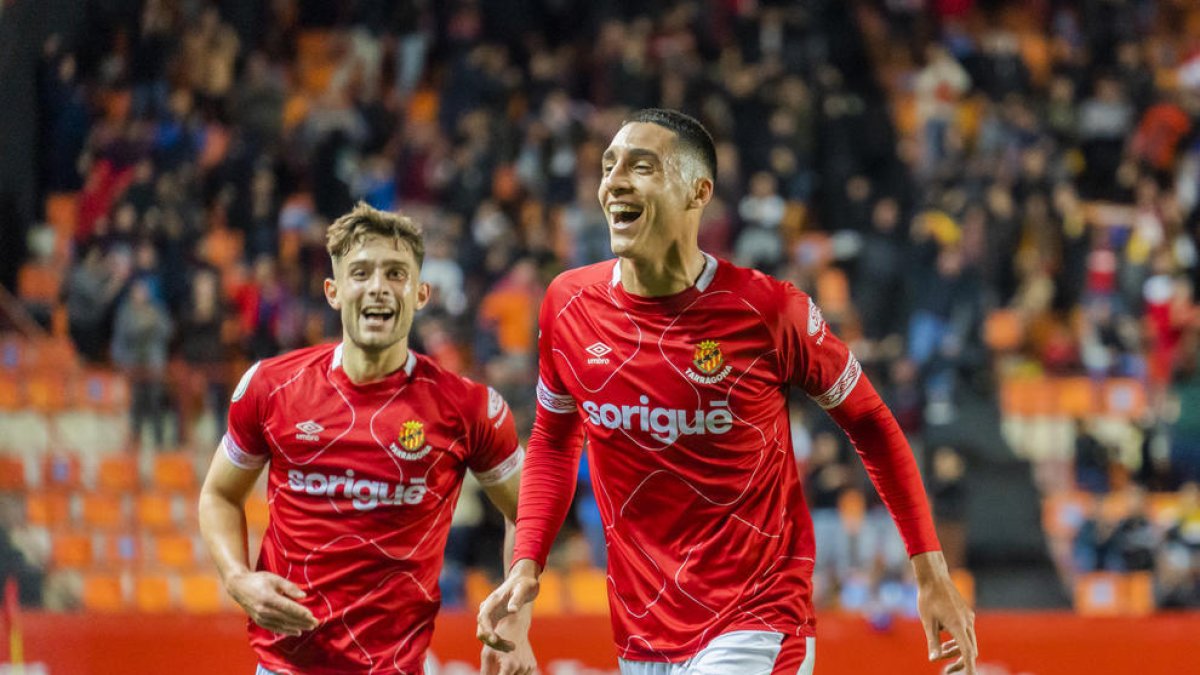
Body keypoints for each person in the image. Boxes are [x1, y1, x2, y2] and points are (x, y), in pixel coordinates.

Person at [477, 110, 976, 674]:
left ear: (698, 191)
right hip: (642, 633)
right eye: (608, 165)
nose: (613, 181)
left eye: (640, 167)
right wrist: (525, 567)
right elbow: (552, 442)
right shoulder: (568, 304)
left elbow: (872, 424)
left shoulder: (768, 310)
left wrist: (930, 572)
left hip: (757, 619)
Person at [199, 203, 535, 675]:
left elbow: (529, 512)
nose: (378, 286)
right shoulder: (271, 387)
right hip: (283, 668)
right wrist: (236, 579)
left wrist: (514, 625)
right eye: (361, 273)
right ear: (334, 292)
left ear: (420, 293)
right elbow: (218, 493)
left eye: (396, 273)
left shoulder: (467, 407)